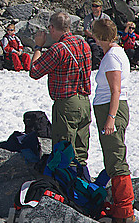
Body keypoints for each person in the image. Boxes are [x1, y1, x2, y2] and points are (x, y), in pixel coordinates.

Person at [29, 11, 93, 177]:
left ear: (52, 27)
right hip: (85, 102)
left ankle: (68, 188)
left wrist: (38, 46)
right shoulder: (83, 43)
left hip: (66, 103)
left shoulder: (58, 49)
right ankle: (83, 185)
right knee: (80, 152)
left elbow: (35, 71)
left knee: (64, 150)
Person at [91, 19, 135, 223]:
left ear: (99, 36)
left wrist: (110, 118)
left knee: (116, 159)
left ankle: (124, 211)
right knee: (113, 157)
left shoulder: (111, 57)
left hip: (111, 109)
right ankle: (121, 207)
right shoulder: (118, 52)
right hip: (112, 107)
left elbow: (115, 90)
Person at [83, 0, 110, 70]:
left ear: (100, 7)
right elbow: (86, 30)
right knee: (95, 49)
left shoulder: (105, 17)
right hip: (92, 37)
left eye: (96, 6)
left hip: (103, 37)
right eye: (93, 6)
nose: (94, 8)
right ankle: (96, 65)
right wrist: (94, 37)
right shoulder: (88, 18)